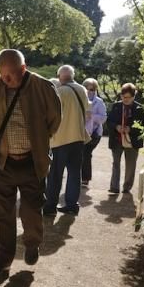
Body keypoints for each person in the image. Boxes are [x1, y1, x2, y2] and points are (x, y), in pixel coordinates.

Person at [0, 49, 61, 275]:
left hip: (31, 162)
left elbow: (55, 120)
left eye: (11, 75)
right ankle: (1, 259)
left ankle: (32, 243)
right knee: (2, 213)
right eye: (2, 75)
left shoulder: (43, 87)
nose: (6, 81)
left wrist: (38, 139)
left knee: (31, 210)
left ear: (23, 68)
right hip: (2, 163)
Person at [42, 65, 90, 216]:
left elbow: (49, 114)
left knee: (55, 175)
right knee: (75, 173)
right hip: (78, 138)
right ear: (73, 75)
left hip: (60, 140)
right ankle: (71, 205)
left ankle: (50, 207)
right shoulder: (82, 89)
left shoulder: (59, 92)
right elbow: (87, 111)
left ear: (59, 76)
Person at [105, 82, 144, 195]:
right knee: (115, 163)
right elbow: (109, 121)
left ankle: (127, 187)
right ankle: (114, 187)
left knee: (131, 165)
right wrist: (116, 127)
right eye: (123, 97)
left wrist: (131, 129)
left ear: (133, 96)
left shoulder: (139, 108)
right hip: (117, 139)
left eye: (128, 97)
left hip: (133, 141)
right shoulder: (116, 106)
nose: (125, 99)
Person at [80, 77, 107, 187]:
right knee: (79, 155)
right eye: (88, 89)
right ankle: (79, 177)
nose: (90, 91)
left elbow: (103, 118)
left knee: (86, 153)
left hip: (94, 134)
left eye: (93, 89)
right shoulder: (79, 100)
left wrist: (92, 117)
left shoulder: (99, 102)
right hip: (79, 132)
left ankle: (85, 179)